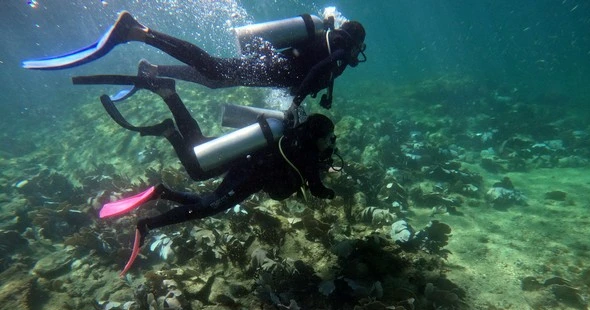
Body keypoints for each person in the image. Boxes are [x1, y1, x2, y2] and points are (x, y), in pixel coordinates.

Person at [83, 74, 340, 275]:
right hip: (248, 175)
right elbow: (316, 188)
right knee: (207, 204)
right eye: (328, 138)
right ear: (316, 137)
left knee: (199, 164)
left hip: (245, 160)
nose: (331, 143)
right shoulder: (307, 153)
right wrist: (331, 193)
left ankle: (168, 106)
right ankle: (147, 224)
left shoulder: (299, 142)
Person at [22, 11, 366, 112]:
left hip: (268, 67)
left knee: (213, 79)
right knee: (212, 66)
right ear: (354, 43)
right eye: (358, 49)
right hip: (268, 68)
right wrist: (296, 104)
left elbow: (315, 69)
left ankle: (153, 70)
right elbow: (317, 69)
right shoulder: (337, 49)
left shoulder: (331, 40)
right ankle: (138, 31)